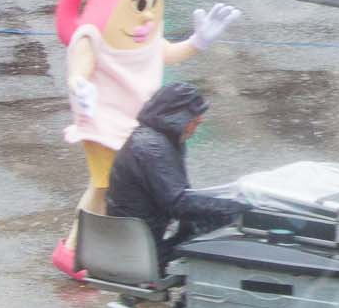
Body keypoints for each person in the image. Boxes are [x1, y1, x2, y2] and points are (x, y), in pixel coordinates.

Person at [104, 83, 244, 255]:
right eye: (194, 118)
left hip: (137, 238)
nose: (200, 120)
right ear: (175, 118)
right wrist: (235, 206)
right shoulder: (153, 147)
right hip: (138, 251)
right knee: (227, 226)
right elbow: (179, 203)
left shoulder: (159, 139)